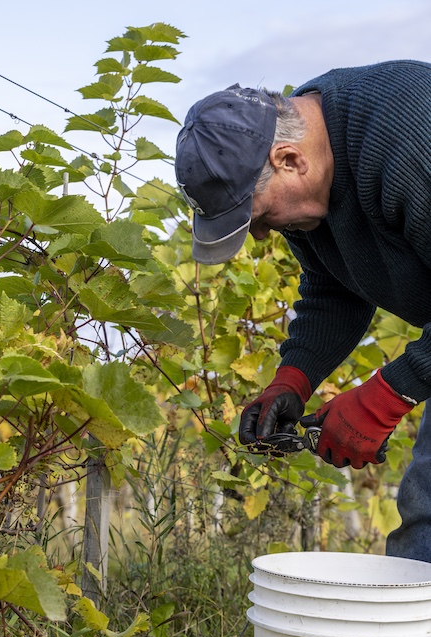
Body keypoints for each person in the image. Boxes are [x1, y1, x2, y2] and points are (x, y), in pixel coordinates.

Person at [174, 62, 431, 562]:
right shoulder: (312, 178)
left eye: (261, 216)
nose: (264, 234)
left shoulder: (412, 141)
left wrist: (386, 394)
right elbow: (335, 285)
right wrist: (293, 378)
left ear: (288, 158)